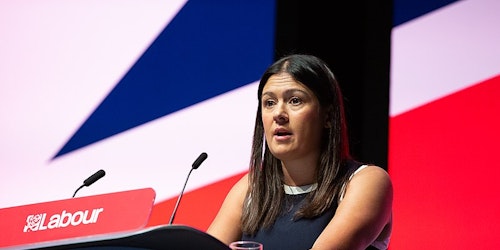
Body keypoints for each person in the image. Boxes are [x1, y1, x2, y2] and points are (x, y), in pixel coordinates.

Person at [207, 54, 393, 250]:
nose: (278, 114)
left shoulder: (366, 182)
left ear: (328, 116)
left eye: (295, 100)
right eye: (269, 103)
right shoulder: (251, 188)